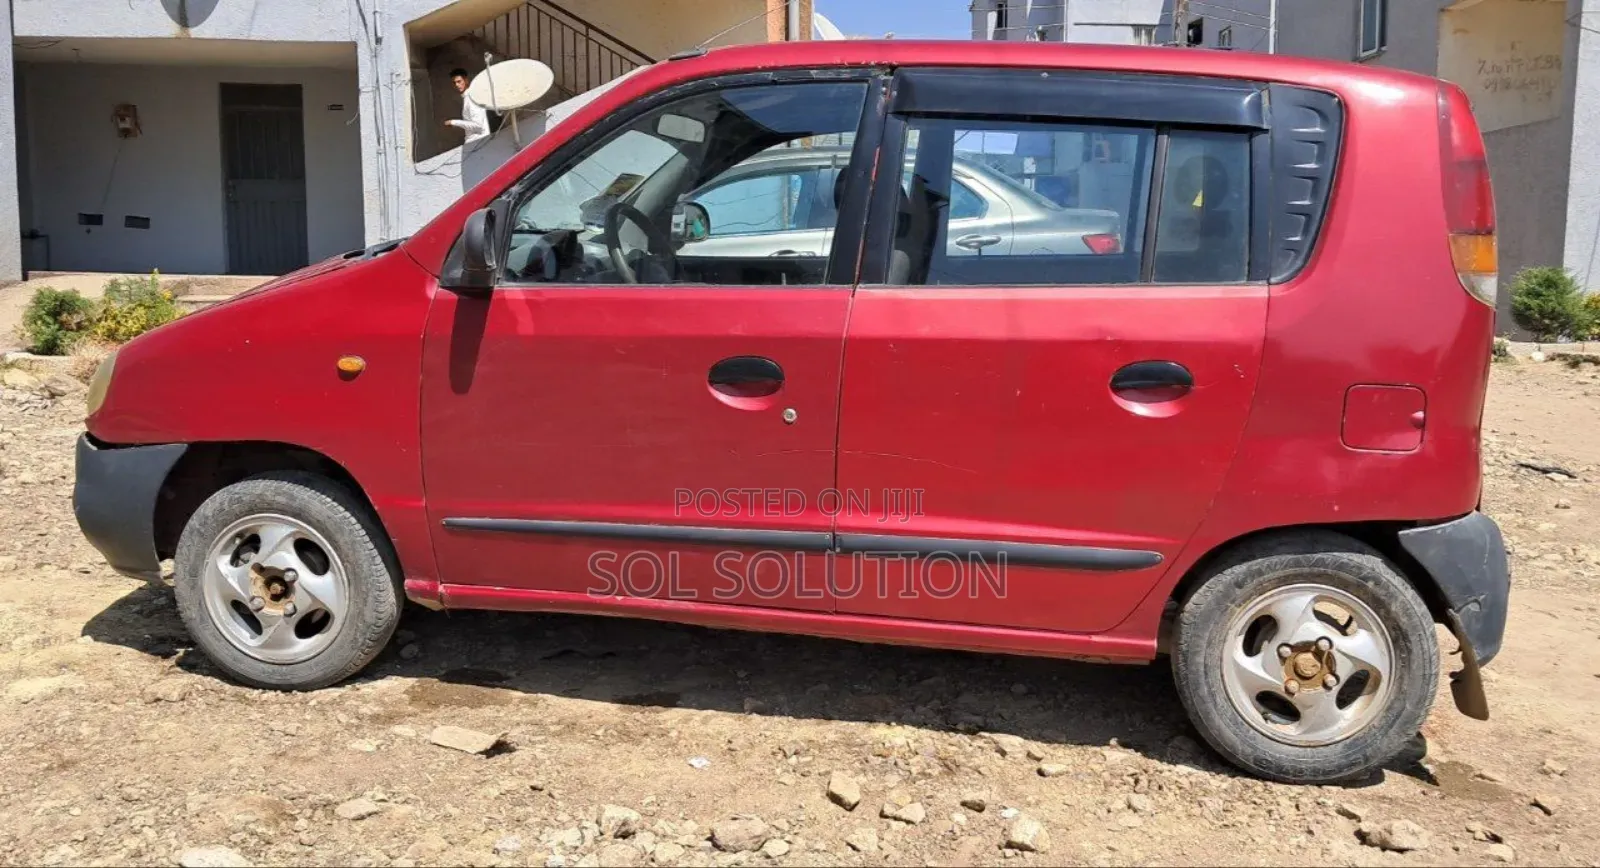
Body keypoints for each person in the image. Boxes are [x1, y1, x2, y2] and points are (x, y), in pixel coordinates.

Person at [446, 68, 490, 144]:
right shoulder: (467, 97)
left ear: (466, 81)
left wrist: (453, 122)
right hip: (476, 143)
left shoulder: (471, 98)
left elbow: (478, 125)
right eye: (454, 83)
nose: (457, 85)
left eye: (459, 81)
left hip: (478, 143)